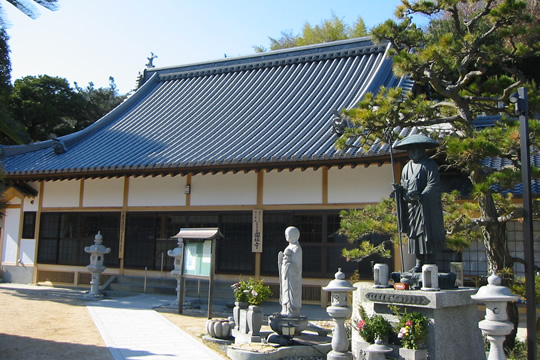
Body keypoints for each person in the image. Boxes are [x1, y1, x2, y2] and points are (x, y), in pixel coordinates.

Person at [393, 134, 446, 273]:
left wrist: (422, 195)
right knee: (414, 234)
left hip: (425, 207)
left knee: (426, 233)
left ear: (422, 150)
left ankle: (430, 261)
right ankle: (418, 262)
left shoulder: (429, 165)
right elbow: (404, 186)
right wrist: (399, 191)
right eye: (410, 150)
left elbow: (433, 184)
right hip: (412, 207)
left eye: (415, 150)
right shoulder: (406, 168)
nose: (412, 153)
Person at [278, 226, 302, 317]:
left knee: (291, 294)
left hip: (292, 277)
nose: (286, 236)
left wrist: (287, 264)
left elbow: (296, 266)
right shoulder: (288, 247)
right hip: (286, 276)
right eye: (286, 234)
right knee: (285, 292)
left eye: (288, 234)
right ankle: (285, 309)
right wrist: (281, 261)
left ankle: (292, 311)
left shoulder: (297, 248)